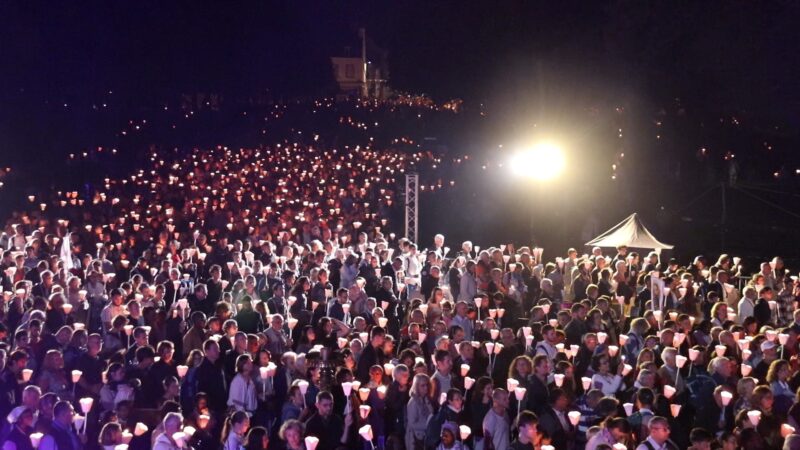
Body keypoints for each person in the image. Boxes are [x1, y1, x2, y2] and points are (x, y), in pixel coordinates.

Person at [406, 373, 433, 450]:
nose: (426, 387)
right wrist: (428, 425)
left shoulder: (426, 399)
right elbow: (412, 424)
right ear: (416, 386)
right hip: (416, 438)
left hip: (425, 436)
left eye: (427, 385)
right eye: (422, 385)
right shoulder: (413, 402)